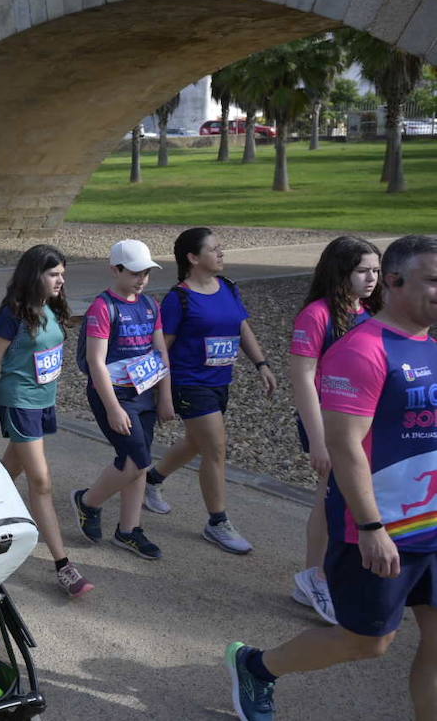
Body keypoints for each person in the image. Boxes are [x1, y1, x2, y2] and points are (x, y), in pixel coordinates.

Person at [226, 234, 437, 721]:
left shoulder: (429, 346)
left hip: (430, 523)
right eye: (432, 280)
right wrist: (370, 527)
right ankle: (258, 666)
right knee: (367, 642)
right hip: (381, 527)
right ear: (395, 282)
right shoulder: (362, 350)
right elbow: (345, 446)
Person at [143, 227, 278, 555]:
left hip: (220, 382)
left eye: (221, 249)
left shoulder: (228, 288)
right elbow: (162, 348)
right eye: (214, 249)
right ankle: (217, 522)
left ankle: (151, 481)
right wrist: (163, 392)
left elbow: (241, 326)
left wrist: (261, 364)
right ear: (193, 257)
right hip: (190, 383)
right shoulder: (179, 298)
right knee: (215, 449)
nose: (221, 254)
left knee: (195, 442)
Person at [0, 244, 92, 597]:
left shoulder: (52, 307)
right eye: (53, 274)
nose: (61, 280)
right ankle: (63, 566)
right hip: (20, 402)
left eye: (62, 274)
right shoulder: (11, 315)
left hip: (44, 401)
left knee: (6, 472)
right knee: (40, 480)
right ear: (35, 275)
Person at [288, 236, 383, 624]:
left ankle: (314, 579)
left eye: (376, 271)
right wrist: (318, 440)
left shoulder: (371, 312)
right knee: (330, 501)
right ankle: (317, 579)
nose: (372, 278)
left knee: (341, 499)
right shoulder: (317, 315)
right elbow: (303, 379)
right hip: (329, 424)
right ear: (340, 272)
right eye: (363, 271)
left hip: (364, 423)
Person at [70, 239, 176, 561]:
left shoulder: (150, 305)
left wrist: (165, 396)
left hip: (144, 392)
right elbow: (96, 362)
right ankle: (88, 502)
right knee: (137, 460)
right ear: (115, 270)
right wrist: (113, 407)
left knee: (137, 463)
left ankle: (129, 530)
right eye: (133, 272)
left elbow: (160, 352)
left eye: (145, 272)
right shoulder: (103, 308)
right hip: (113, 395)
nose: (141, 279)